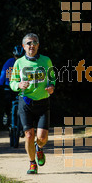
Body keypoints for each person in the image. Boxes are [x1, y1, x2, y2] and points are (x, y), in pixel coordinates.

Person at [10, 33, 56, 174]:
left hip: (43, 102)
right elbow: (12, 82)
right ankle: (32, 164)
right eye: (29, 43)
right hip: (25, 102)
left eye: (34, 43)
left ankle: (39, 148)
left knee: (42, 138)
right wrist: (19, 85)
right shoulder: (19, 63)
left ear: (38, 45)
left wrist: (51, 87)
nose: (32, 45)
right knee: (29, 135)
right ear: (24, 47)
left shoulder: (46, 61)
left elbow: (52, 78)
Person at [0, 45, 24, 126]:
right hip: (9, 86)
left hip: (21, 87)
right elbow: (3, 73)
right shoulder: (9, 62)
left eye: (20, 57)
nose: (18, 58)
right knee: (7, 100)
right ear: (13, 55)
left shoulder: (26, 63)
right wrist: (0, 84)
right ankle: (6, 114)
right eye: (17, 56)